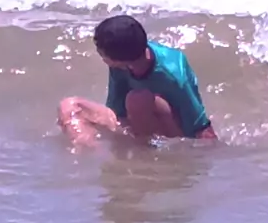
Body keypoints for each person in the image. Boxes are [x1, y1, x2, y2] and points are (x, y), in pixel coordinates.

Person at [57, 14, 217, 147]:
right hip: (134, 124)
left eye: (102, 53)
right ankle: (91, 158)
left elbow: (200, 127)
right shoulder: (120, 65)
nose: (101, 56)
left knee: (137, 99)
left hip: (172, 131)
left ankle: (147, 154)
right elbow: (116, 111)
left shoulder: (173, 73)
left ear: (117, 58)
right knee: (70, 106)